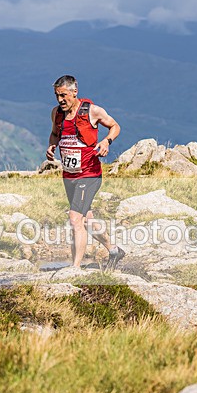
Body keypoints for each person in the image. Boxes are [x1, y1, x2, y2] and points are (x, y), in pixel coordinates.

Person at [47, 75, 124, 269]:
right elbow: (55, 134)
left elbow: (115, 126)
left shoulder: (92, 111)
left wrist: (107, 141)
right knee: (87, 219)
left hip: (89, 174)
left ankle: (75, 268)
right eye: (57, 95)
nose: (60, 100)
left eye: (63, 95)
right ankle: (114, 250)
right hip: (69, 175)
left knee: (75, 219)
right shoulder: (56, 113)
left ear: (74, 92)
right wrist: (52, 146)